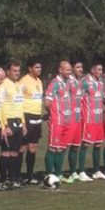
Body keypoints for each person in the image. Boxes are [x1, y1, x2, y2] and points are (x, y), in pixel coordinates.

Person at [43, 60, 74, 188]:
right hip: (57, 121)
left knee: (61, 148)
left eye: (70, 70)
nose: (69, 72)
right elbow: (47, 103)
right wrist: (54, 114)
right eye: (67, 70)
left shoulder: (67, 82)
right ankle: (49, 175)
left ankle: (58, 174)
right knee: (53, 147)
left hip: (67, 121)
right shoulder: (54, 83)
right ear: (60, 70)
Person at [79, 61, 105, 181]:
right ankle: (81, 171)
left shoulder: (100, 83)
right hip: (88, 118)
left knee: (98, 144)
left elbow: (100, 99)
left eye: (101, 70)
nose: (100, 72)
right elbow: (79, 99)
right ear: (92, 70)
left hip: (98, 118)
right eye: (98, 70)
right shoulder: (85, 82)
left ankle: (96, 171)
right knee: (85, 144)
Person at [0, 61, 26, 188]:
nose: (17, 73)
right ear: (8, 72)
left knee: (15, 152)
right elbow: (1, 106)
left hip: (18, 122)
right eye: (14, 71)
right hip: (8, 121)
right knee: (6, 152)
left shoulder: (18, 85)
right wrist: (5, 125)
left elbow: (20, 106)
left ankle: (13, 179)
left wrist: (23, 123)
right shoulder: (3, 84)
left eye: (18, 71)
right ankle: (3, 180)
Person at [18, 59, 44, 184]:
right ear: (30, 68)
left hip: (37, 117)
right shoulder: (24, 81)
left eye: (40, 67)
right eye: (36, 67)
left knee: (33, 147)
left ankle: (29, 176)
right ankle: (16, 175)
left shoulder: (39, 81)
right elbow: (17, 98)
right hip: (26, 116)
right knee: (22, 147)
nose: (39, 69)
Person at [65, 61, 85, 183]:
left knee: (75, 146)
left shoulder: (80, 82)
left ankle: (73, 172)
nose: (80, 69)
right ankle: (57, 173)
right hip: (69, 118)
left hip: (78, 118)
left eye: (81, 67)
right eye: (78, 67)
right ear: (72, 69)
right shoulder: (68, 81)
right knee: (64, 146)